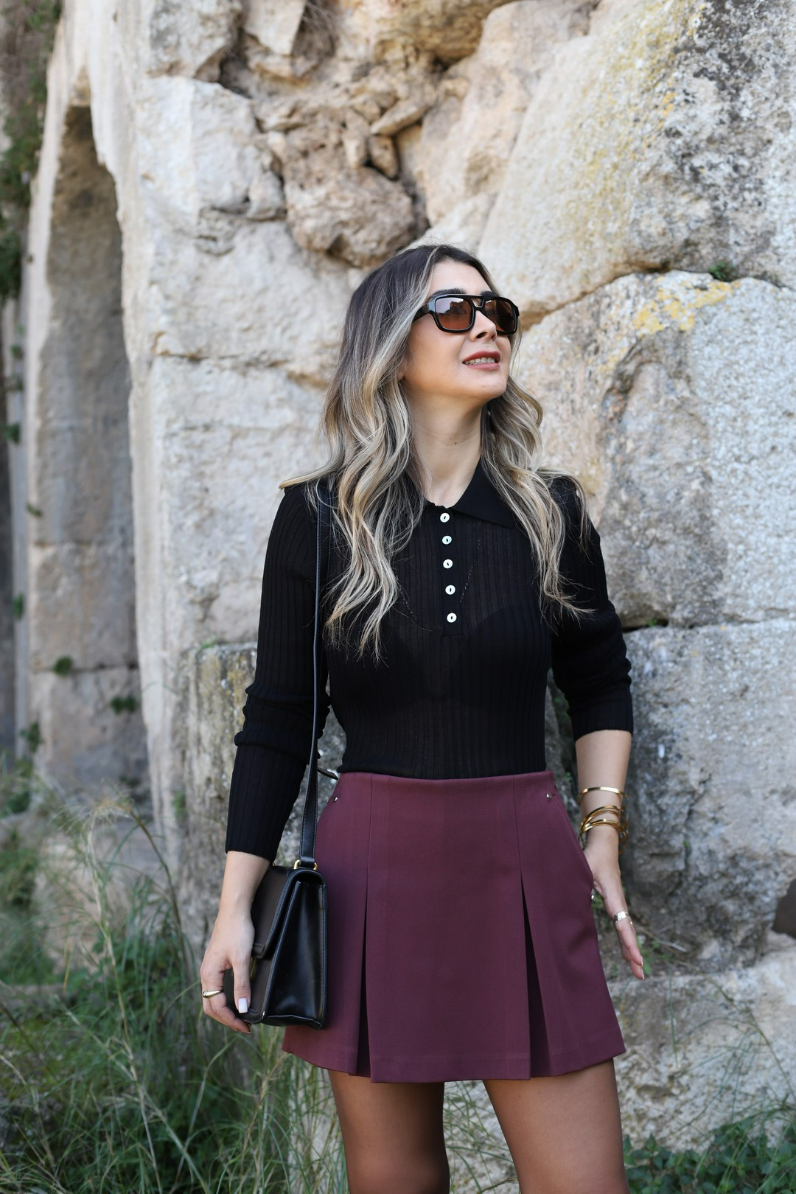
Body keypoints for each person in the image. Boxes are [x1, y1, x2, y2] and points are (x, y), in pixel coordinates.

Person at [200, 242, 644, 1194]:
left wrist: (601, 833)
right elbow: (277, 720)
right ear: (393, 350)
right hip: (373, 875)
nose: (486, 326)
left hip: (524, 863)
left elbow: (601, 680)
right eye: (453, 311)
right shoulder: (319, 520)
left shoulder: (552, 513)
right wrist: (234, 908)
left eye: (496, 312)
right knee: (394, 1179)